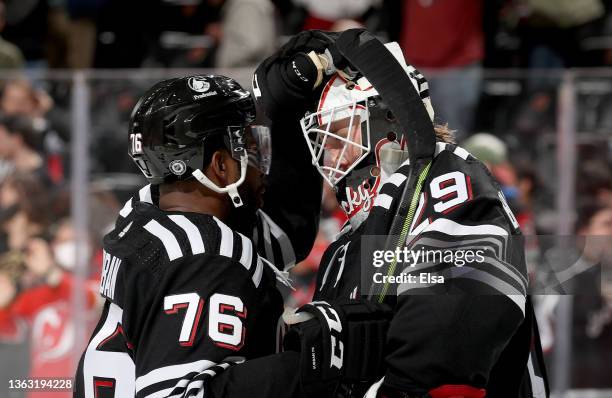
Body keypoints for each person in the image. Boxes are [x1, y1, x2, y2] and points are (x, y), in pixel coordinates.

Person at [249, 29, 549, 397]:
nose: (330, 156)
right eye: (321, 141)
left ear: (388, 119)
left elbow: (446, 361)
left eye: (338, 133)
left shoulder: (449, 181)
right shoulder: (353, 238)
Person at [74, 74, 323, 398]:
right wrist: (308, 364)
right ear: (221, 166)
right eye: (248, 147)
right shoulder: (206, 257)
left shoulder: (147, 214)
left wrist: (289, 104)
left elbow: (286, 233)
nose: (262, 166)